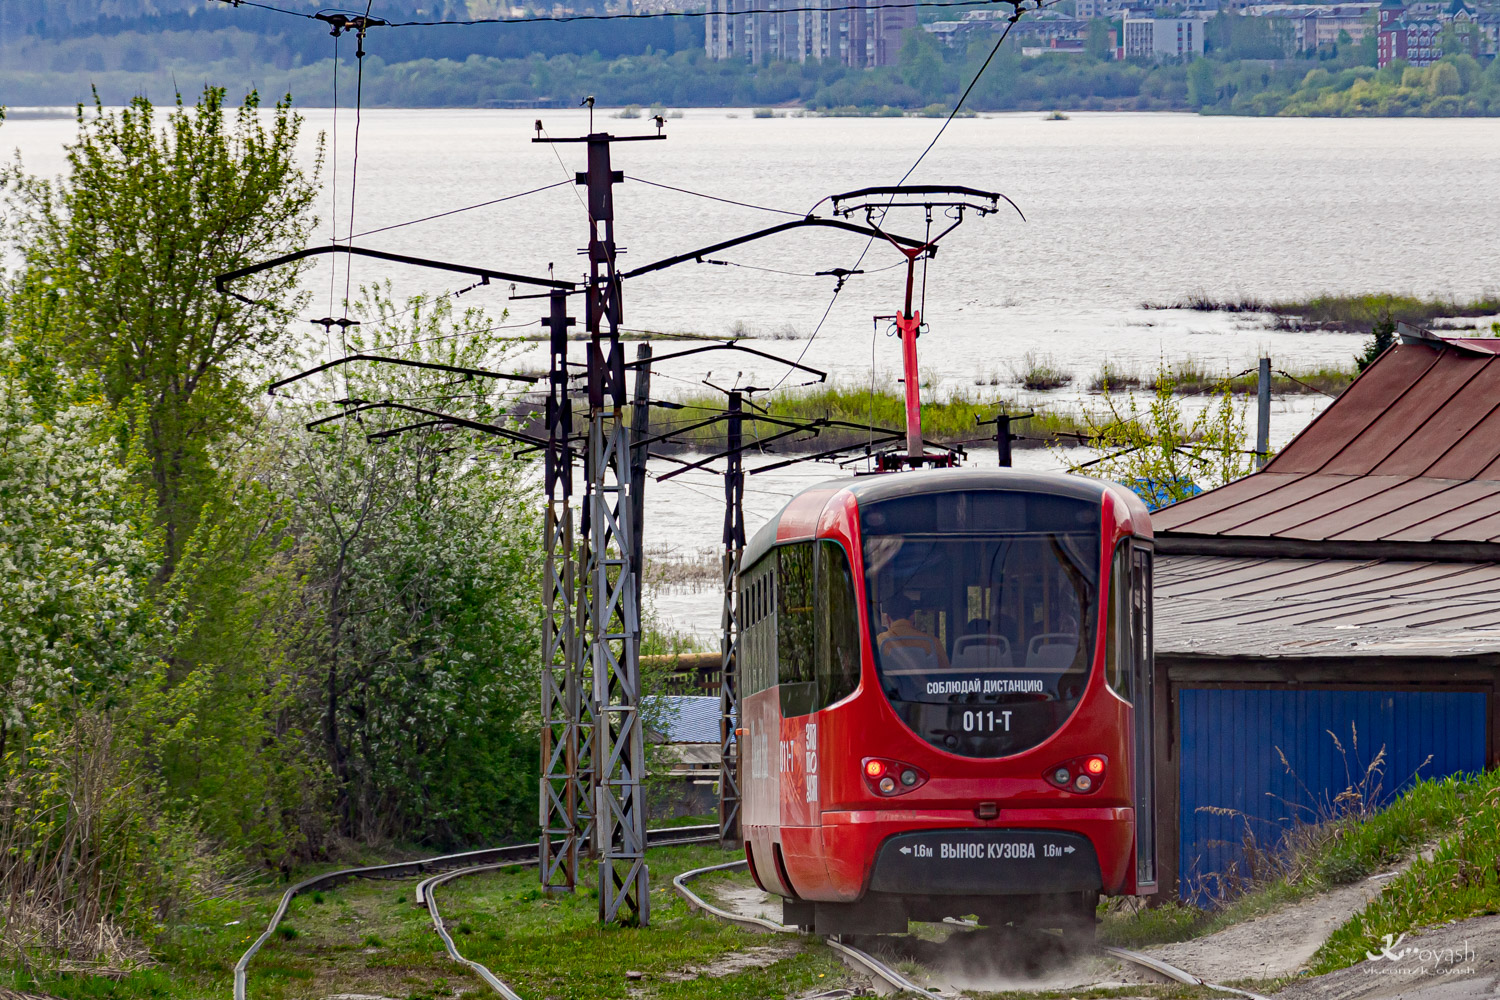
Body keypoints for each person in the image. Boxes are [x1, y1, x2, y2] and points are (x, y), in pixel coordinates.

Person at [876, 592, 950, 669]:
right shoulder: (933, 642)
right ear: (913, 616)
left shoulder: (880, 641)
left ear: (888, 618)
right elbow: (945, 671)